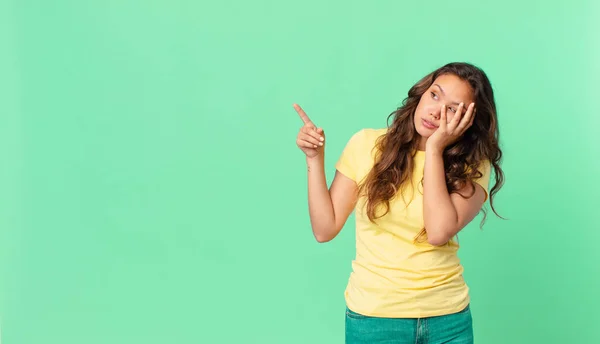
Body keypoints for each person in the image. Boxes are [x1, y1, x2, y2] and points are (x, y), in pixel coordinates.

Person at [293, 62, 504, 344]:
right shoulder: (367, 145)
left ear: (468, 121)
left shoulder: (473, 163)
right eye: (435, 95)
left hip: (448, 319)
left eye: (453, 109)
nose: (435, 111)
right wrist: (313, 159)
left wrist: (434, 148)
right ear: (422, 93)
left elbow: (438, 231)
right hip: (374, 319)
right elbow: (325, 228)